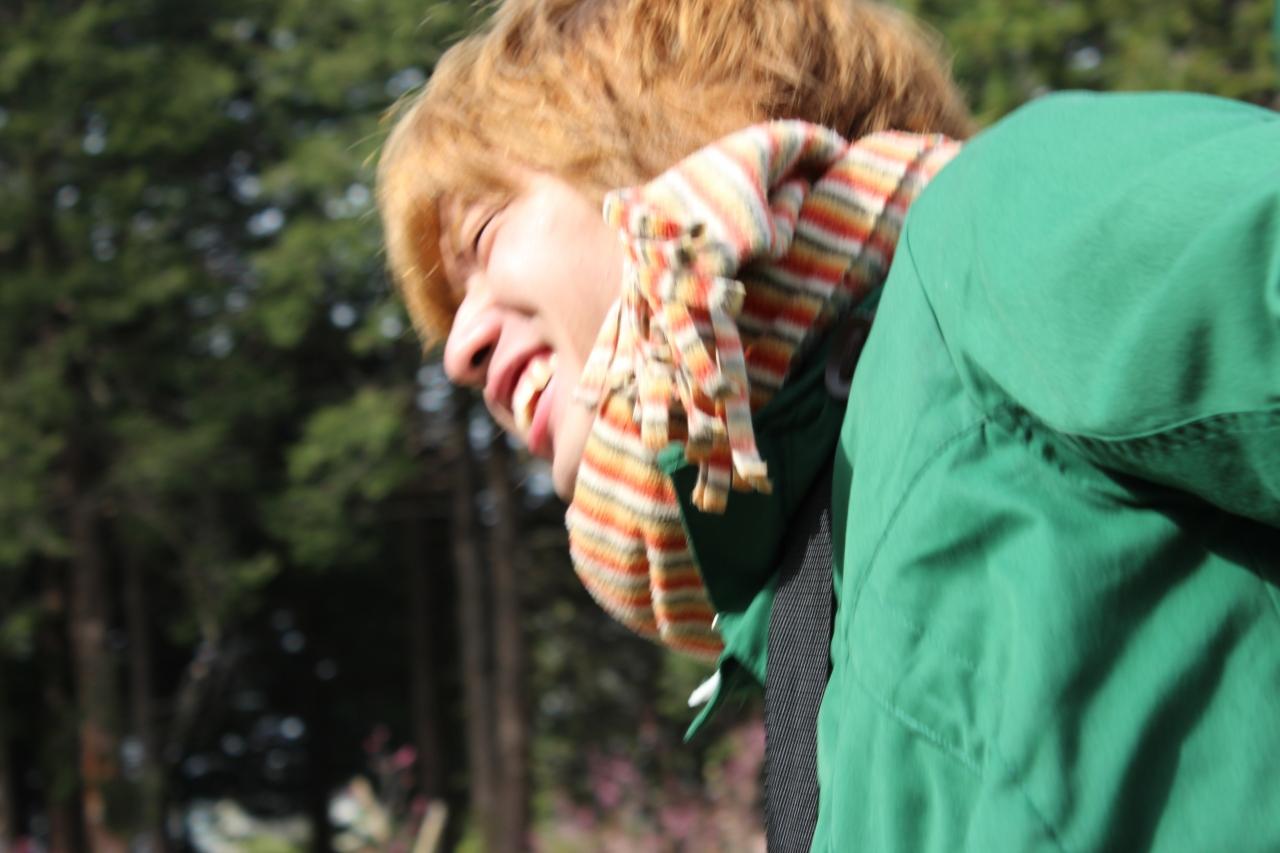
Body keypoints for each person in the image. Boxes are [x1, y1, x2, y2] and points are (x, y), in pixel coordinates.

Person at [377, 0, 1280, 849]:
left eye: (485, 237)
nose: (458, 350)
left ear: (672, 135)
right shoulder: (812, 604)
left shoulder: (990, 233)